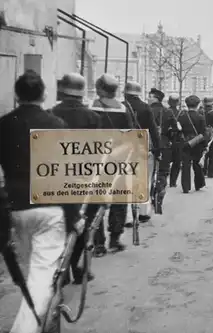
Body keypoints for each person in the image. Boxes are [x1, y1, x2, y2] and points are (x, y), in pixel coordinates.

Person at [0, 70, 83, 333]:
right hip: (50, 209)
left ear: (16, 95)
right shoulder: (57, 125)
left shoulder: (3, 124)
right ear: (44, 94)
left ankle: (48, 321)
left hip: (16, 208)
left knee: (33, 271)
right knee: (42, 277)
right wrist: (75, 216)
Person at [50, 72, 101, 284]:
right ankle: (77, 268)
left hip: (55, 175)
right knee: (83, 222)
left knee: (60, 222)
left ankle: (61, 272)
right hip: (83, 176)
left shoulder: (50, 113)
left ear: (62, 91)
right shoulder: (92, 118)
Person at [89, 74, 134, 257]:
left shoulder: (92, 107)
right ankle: (115, 238)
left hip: (96, 160)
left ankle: (99, 243)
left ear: (100, 89)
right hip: (118, 160)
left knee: (96, 200)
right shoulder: (123, 109)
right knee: (119, 200)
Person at [123, 82, 161, 223]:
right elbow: (153, 129)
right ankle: (144, 211)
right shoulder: (146, 107)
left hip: (126, 148)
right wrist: (157, 149)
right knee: (144, 180)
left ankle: (127, 217)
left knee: (126, 182)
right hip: (144, 147)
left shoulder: (122, 106)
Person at [148, 88, 177, 214]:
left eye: (150, 96)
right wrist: (169, 138)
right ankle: (159, 193)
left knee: (148, 173)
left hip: (149, 145)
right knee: (163, 172)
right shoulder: (168, 111)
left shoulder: (147, 110)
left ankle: (148, 198)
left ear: (155, 98)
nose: (148, 99)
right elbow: (175, 129)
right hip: (164, 145)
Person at [177, 95, 207, 193]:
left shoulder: (182, 117)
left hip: (185, 143)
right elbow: (203, 133)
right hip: (197, 143)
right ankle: (198, 184)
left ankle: (186, 187)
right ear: (198, 105)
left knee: (185, 165)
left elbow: (178, 131)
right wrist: (205, 145)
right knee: (197, 164)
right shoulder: (200, 117)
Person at [167, 94, 183, 187]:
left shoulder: (165, 111)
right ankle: (173, 182)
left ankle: (163, 180)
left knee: (165, 161)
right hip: (177, 140)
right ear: (178, 102)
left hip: (167, 139)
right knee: (176, 162)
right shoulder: (181, 113)